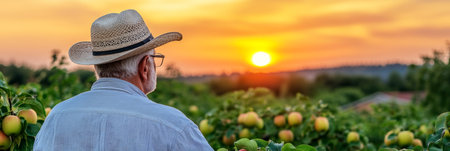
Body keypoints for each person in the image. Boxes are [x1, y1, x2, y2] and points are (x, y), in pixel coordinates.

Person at [34, 9, 213, 151]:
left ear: (97, 66)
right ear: (144, 66)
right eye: (154, 59)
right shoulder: (174, 127)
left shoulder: (57, 116)